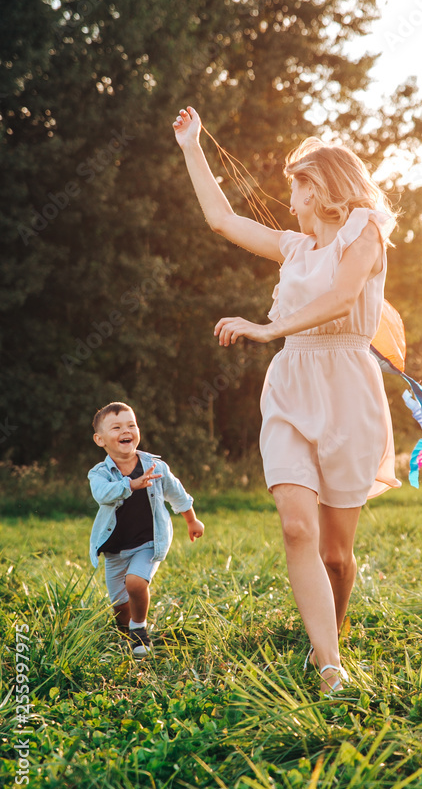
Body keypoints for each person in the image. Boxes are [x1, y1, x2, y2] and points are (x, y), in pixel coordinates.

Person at [173, 106, 400, 694]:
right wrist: (192, 146)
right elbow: (221, 220)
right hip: (291, 386)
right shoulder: (294, 249)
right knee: (297, 530)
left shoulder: (366, 230)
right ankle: (329, 664)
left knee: (335, 555)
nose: (289, 197)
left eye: (296, 183)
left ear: (320, 186)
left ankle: (333, 632)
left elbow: (346, 298)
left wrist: (268, 329)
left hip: (349, 387)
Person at [88, 401, 205, 657]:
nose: (126, 430)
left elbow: (178, 493)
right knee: (120, 605)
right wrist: (130, 485)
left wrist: (191, 519)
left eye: (131, 425)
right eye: (116, 427)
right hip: (115, 549)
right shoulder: (99, 474)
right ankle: (126, 633)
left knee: (135, 583)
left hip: (149, 543)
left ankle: (139, 629)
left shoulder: (155, 467)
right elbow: (102, 495)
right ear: (100, 439)